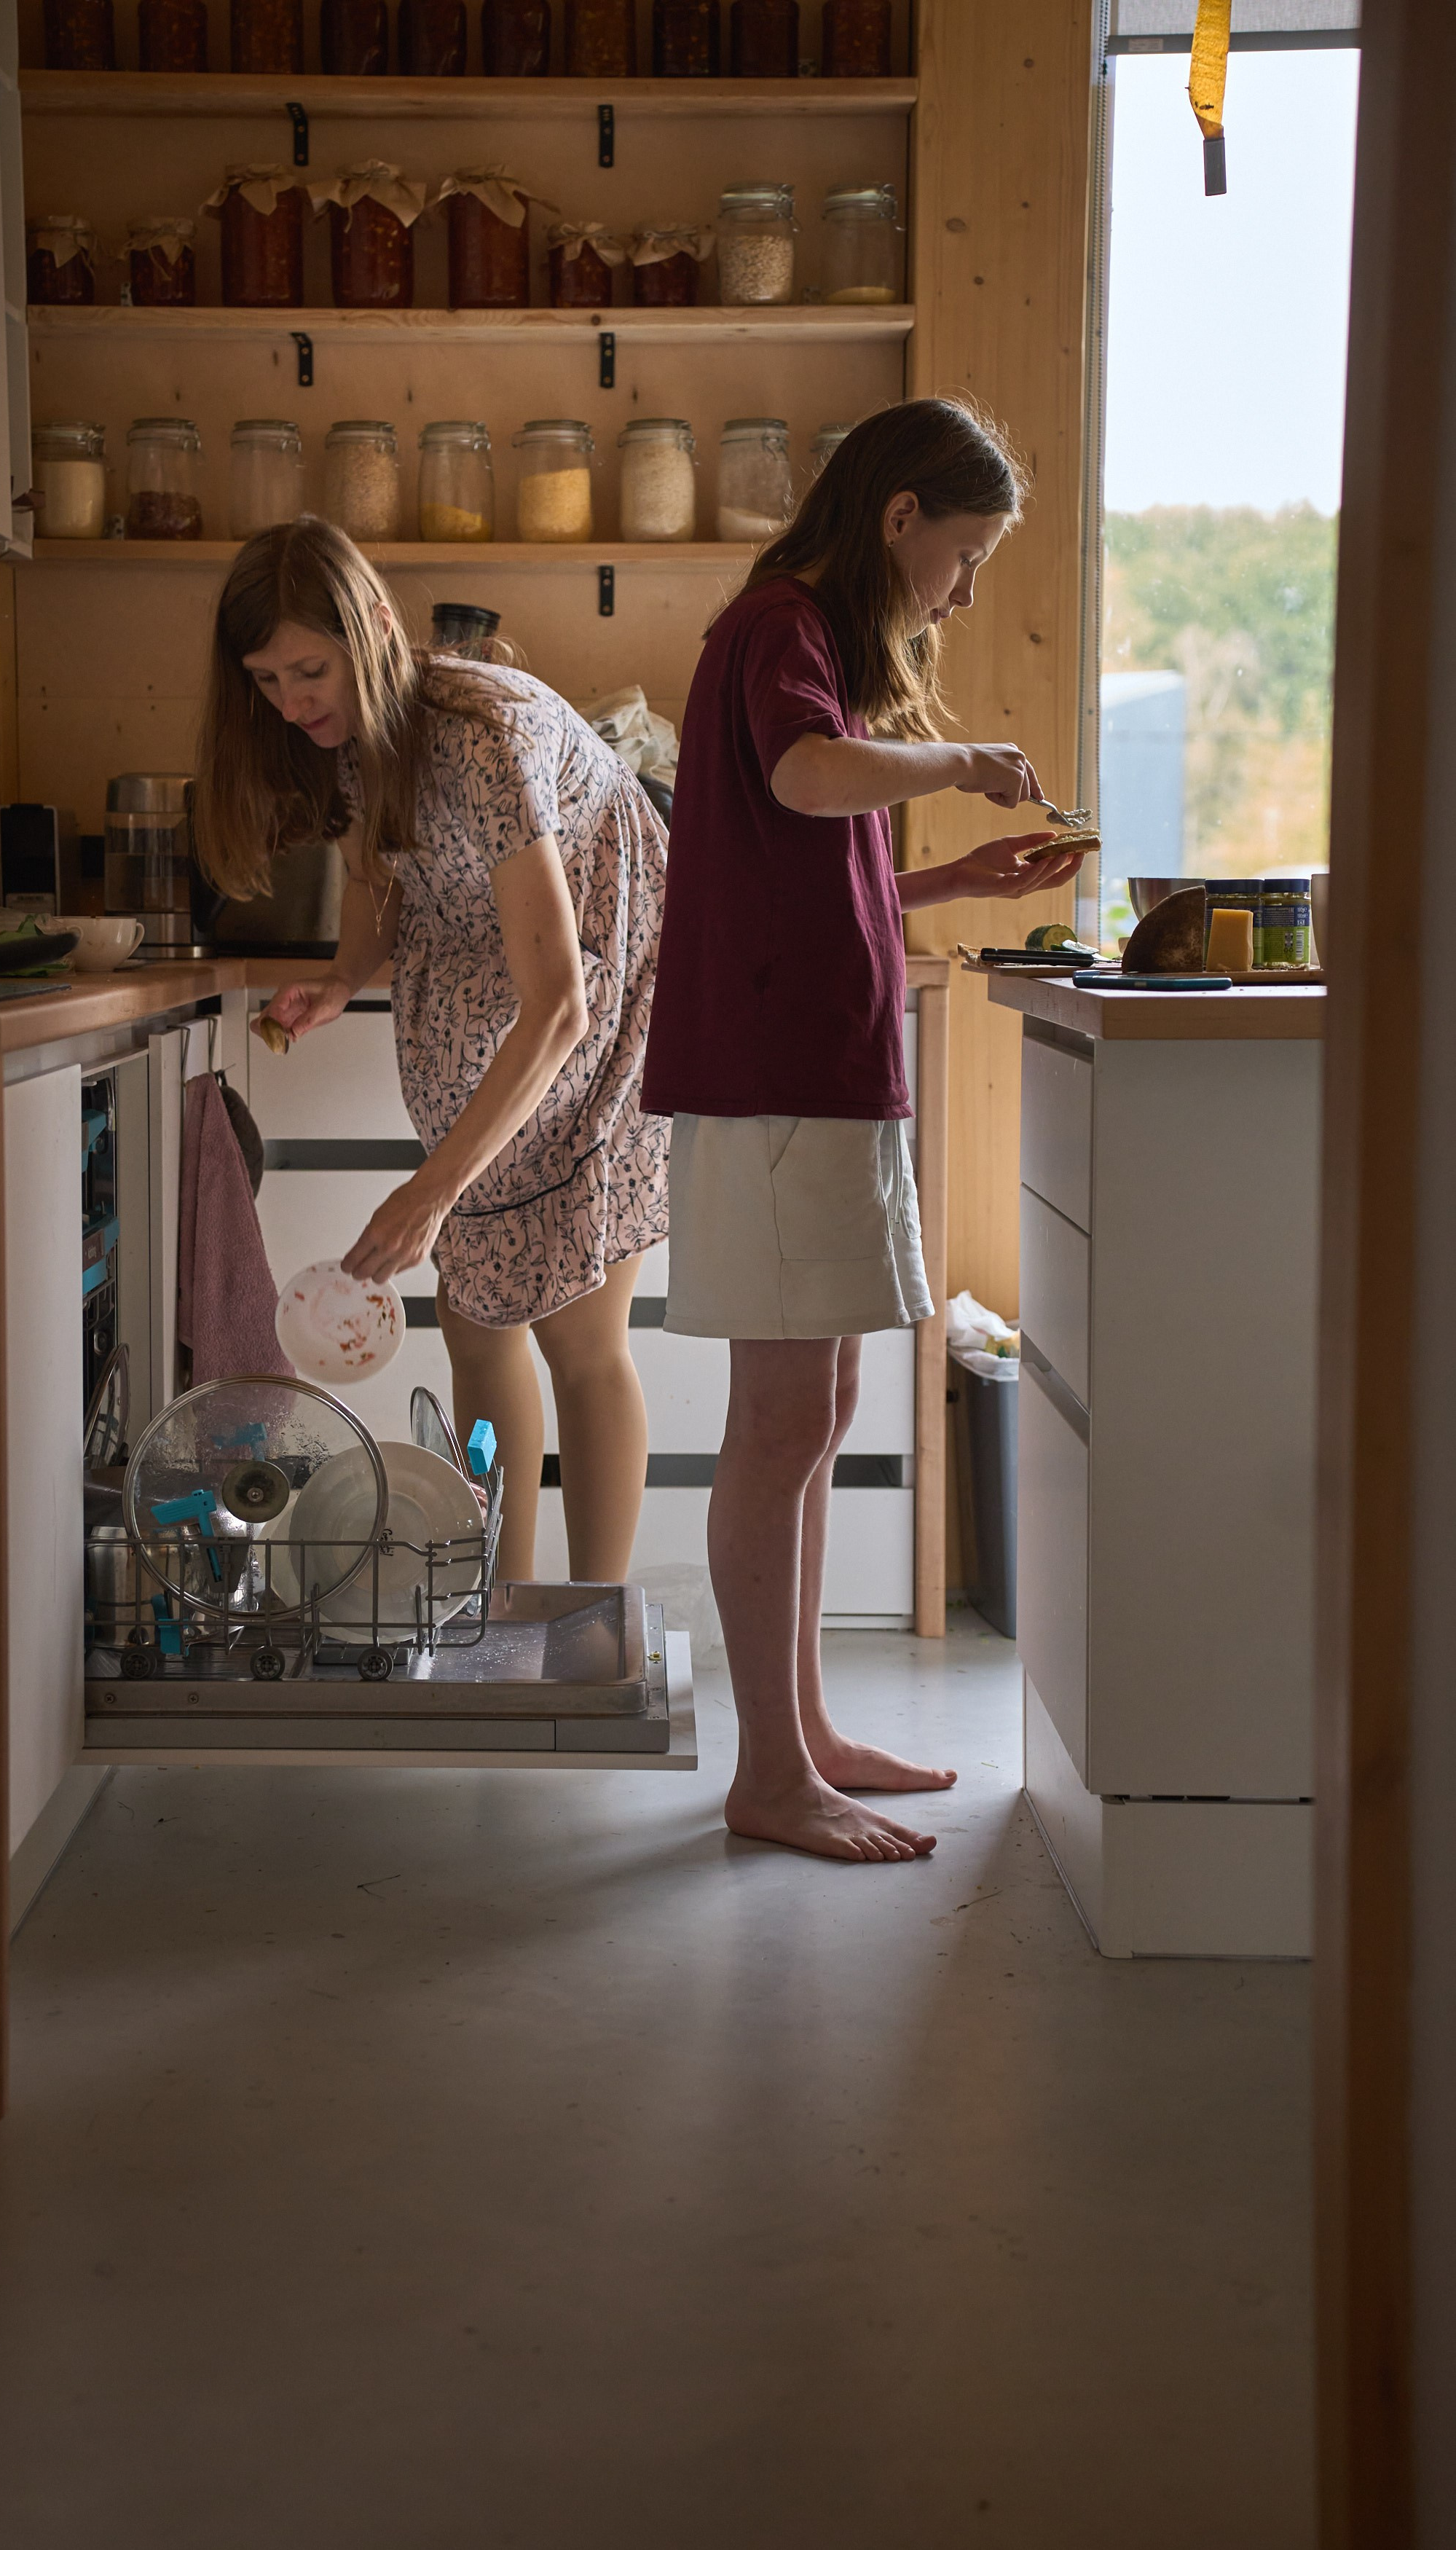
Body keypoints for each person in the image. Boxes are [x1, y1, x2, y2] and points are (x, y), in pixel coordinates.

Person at [640, 398, 1087, 1864]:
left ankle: (805, 1730)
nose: (961, 591)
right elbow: (802, 776)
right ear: (900, 515)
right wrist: (963, 760)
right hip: (775, 1084)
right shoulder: (782, 626)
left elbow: (818, 880)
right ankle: (770, 1771)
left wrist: (954, 882)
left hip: (812, 1077)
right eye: (962, 555)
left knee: (814, 1415)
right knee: (779, 1423)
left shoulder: (805, 644)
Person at [194, 518, 668, 1585]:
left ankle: (591, 1616)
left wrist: (428, 1193)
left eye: (308, 670)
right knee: (477, 1332)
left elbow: (560, 1006)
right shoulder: (351, 741)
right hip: (500, 1045)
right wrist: (343, 977)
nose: (290, 700)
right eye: (266, 681)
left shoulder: (481, 735)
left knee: (580, 1344)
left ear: (369, 627)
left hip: (601, 1018)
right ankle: (504, 1601)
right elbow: (380, 879)